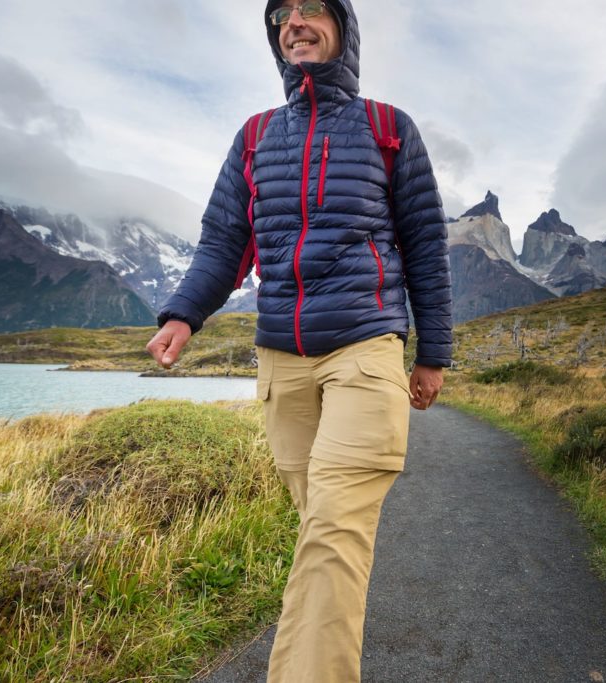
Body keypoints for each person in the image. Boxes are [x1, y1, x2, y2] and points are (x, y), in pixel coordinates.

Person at [145, 0, 452, 680]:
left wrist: (432, 353)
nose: (295, 21)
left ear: (343, 26)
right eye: (282, 13)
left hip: (365, 349)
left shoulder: (388, 128)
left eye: (312, 8)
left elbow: (427, 245)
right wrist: (183, 314)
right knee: (323, 534)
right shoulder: (254, 136)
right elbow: (224, 241)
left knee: (334, 537)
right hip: (282, 361)